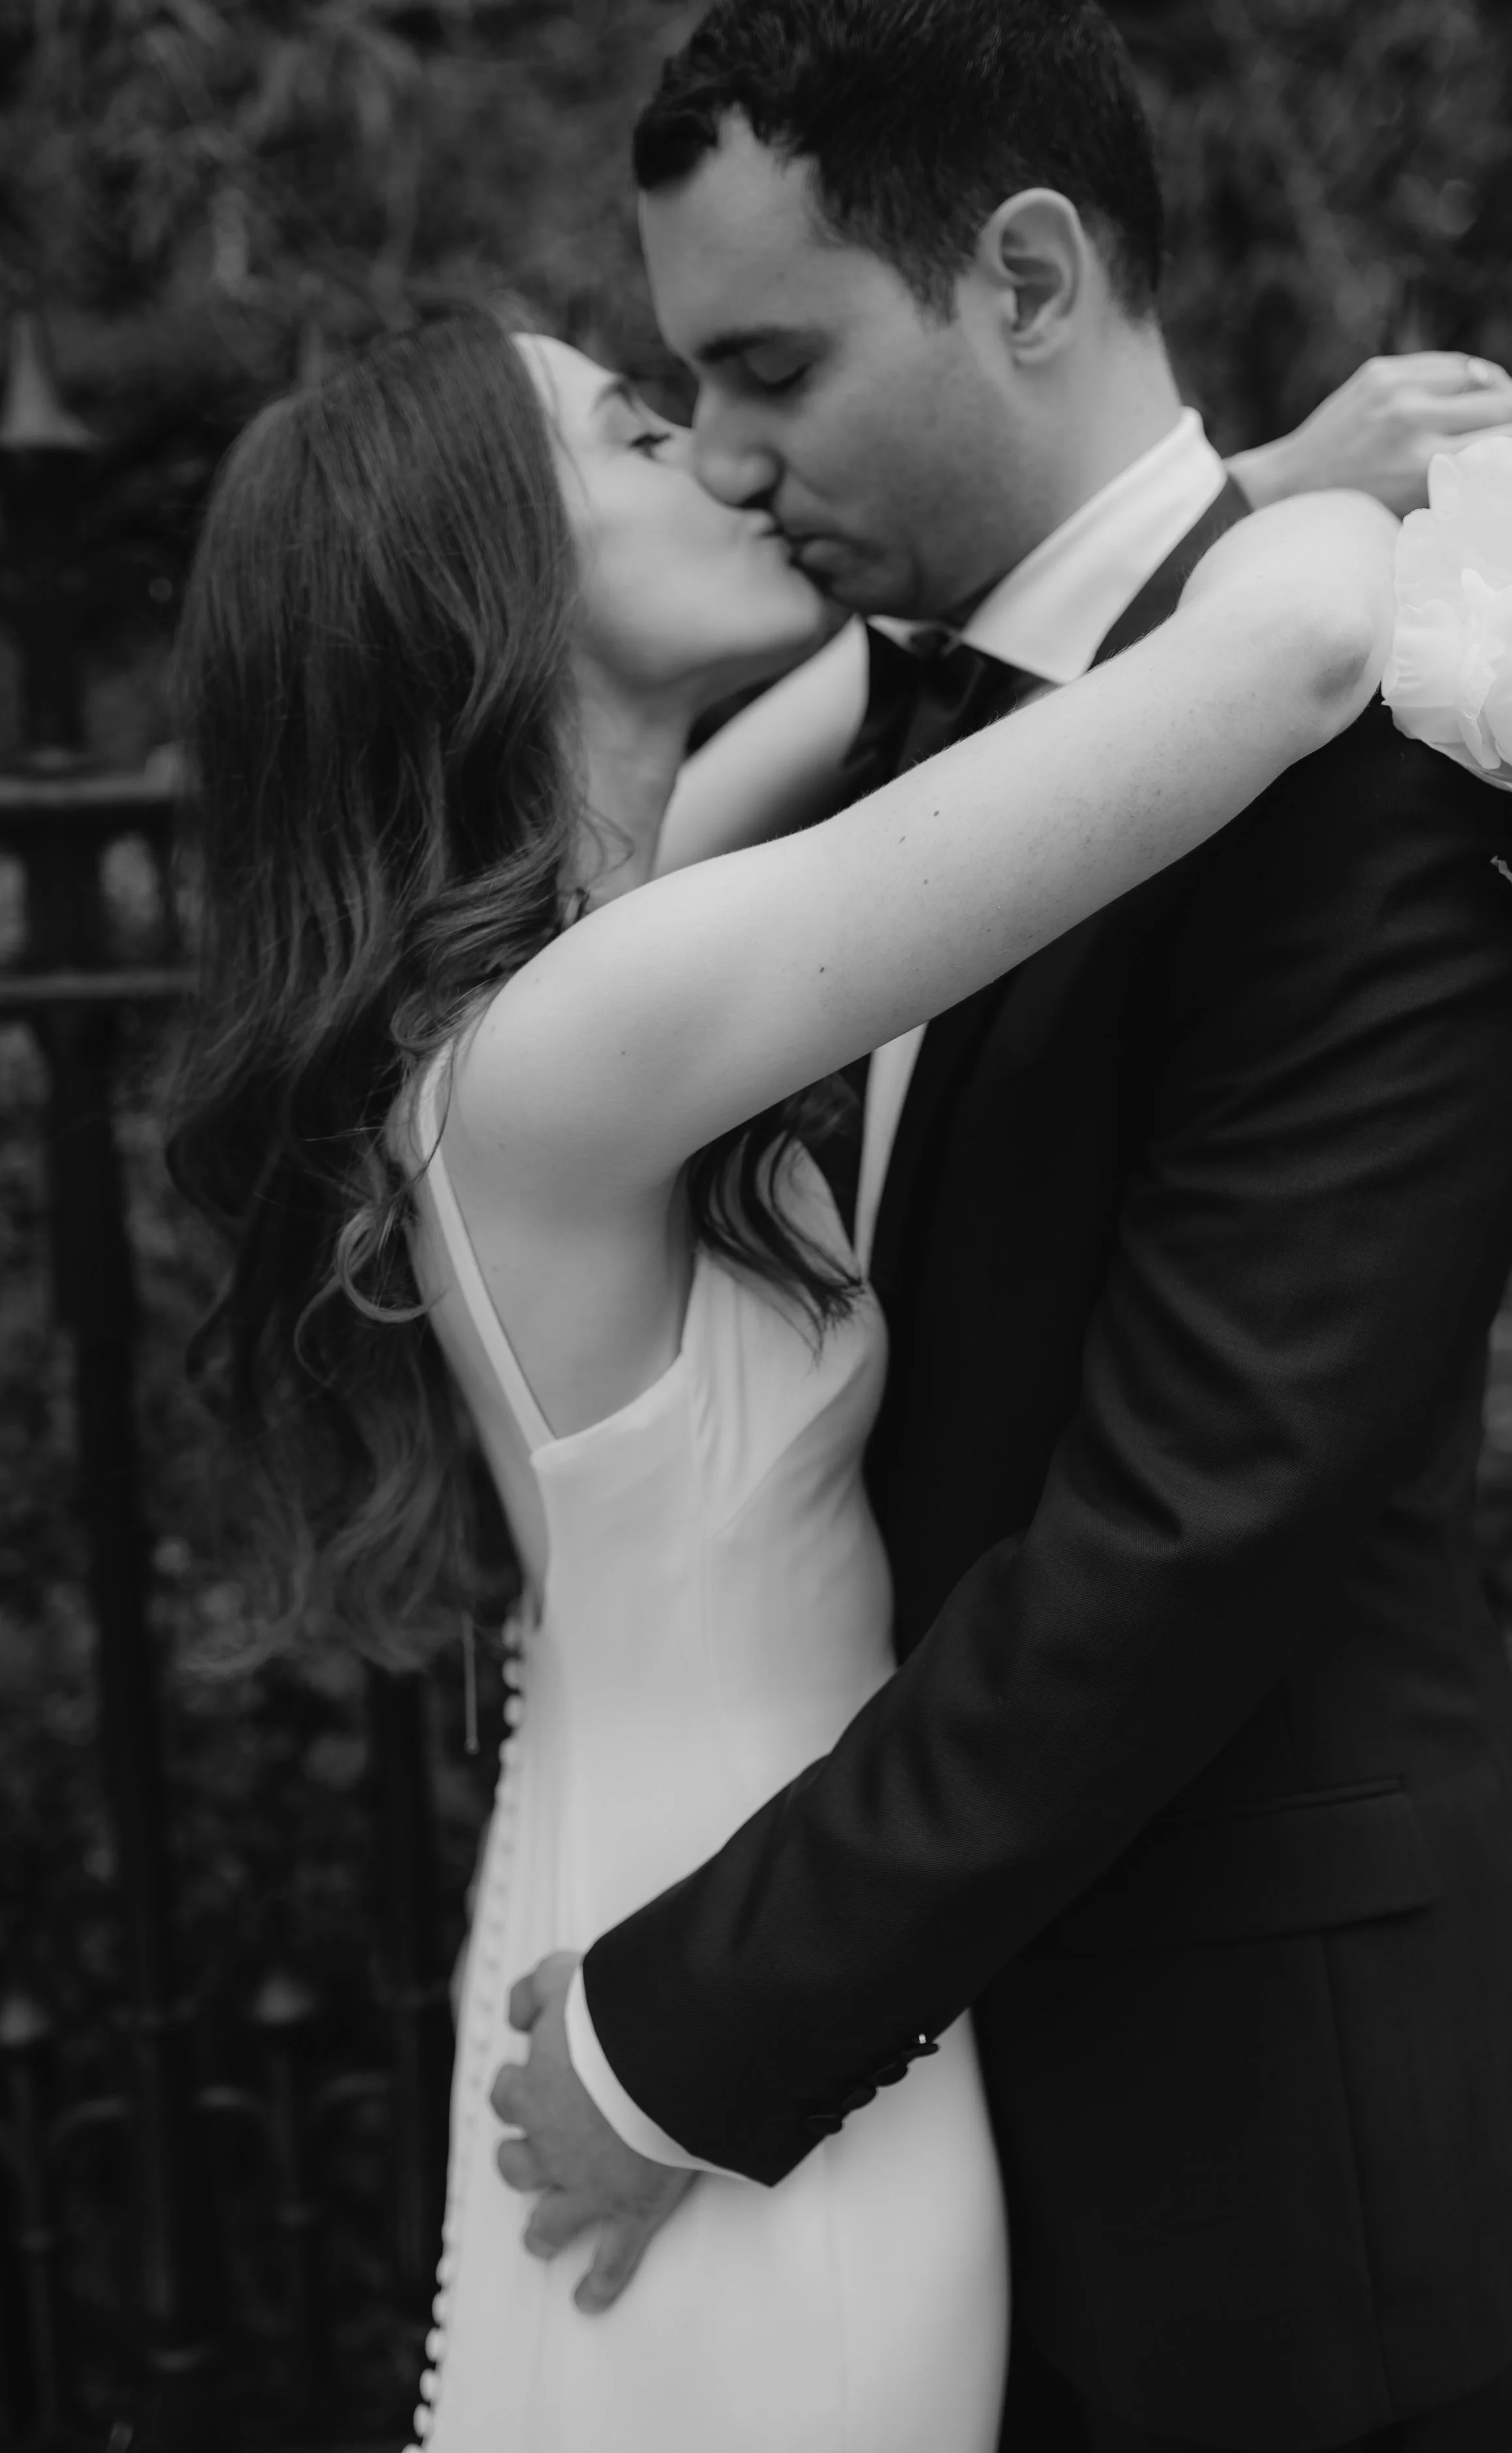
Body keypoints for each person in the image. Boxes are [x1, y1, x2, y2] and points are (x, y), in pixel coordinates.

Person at [165, 302, 1398, 2450]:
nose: (727, 464)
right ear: (497, 589)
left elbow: (905, 676)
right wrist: (1391, 528)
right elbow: (1268, 671)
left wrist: (1255, 485)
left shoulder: (601, 920)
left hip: (689, 1909)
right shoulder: (584, 1030)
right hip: (742, 2020)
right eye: (642, 437)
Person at [488, 6, 1512, 2451]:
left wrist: (683, 2031)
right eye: (677, 388)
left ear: (1027, 279)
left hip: (1273, 2158)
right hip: (957, 2143)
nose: (728, 454)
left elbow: (1204, 1498)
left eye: (772, 364)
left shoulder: (1361, 720)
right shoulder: (898, 735)